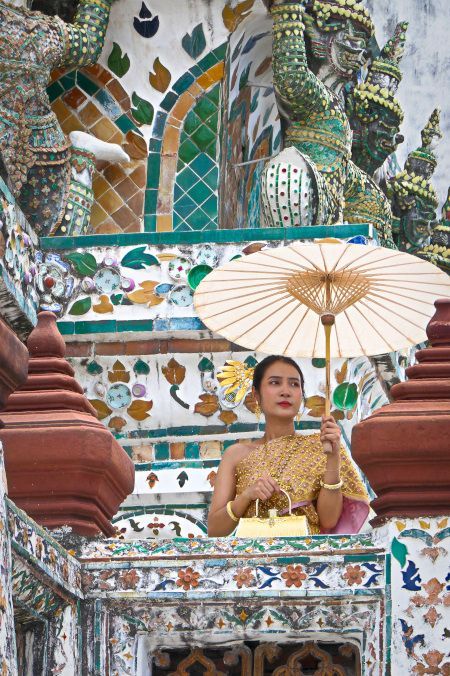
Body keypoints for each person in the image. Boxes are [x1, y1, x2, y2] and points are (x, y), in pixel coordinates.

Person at [208, 355, 369, 537]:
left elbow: (328, 521)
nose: (286, 391)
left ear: (301, 395)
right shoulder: (235, 455)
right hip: (254, 560)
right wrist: (246, 496)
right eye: (275, 383)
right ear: (256, 394)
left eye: (294, 384)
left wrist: (332, 458)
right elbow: (215, 530)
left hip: (307, 560)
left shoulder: (322, 447)